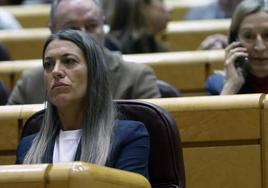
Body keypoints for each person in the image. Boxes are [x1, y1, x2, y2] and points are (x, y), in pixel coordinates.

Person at [16, 29, 150, 178]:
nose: (56, 71)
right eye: (48, 64)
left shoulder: (128, 137)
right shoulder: (27, 147)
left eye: (69, 61)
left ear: (94, 73)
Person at [7, 0, 161, 105]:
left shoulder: (136, 78)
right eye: (72, 28)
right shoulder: (31, 82)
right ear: (52, 30)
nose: (84, 36)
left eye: (92, 26)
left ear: (103, 26)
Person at [206, 0, 268, 95]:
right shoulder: (217, 84)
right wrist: (231, 86)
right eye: (248, 36)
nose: (260, 47)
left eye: (267, 35)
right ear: (235, 41)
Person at [105, 0, 170, 54]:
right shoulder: (112, 51)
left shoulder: (151, 43)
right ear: (143, 6)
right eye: (161, 1)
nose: (169, 8)